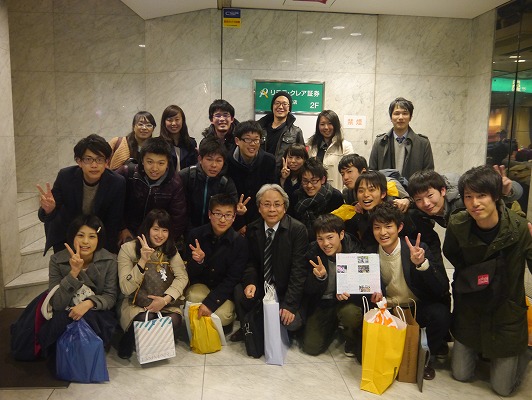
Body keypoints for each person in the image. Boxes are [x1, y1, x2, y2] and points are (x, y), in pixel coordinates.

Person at [443, 165, 532, 396]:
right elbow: (451, 253)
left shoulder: (519, 228)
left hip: (505, 311)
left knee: (502, 389)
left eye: (481, 195)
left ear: (496, 196)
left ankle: (522, 353)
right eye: (468, 196)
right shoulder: (458, 224)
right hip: (471, 307)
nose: (475, 203)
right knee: (460, 374)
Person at [369, 202, 451, 380]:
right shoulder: (369, 253)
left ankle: (425, 358)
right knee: (367, 358)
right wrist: (373, 295)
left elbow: (440, 288)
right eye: (377, 227)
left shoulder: (416, 249)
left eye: (388, 226)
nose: (383, 232)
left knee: (440, 314)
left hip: (415, 307)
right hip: (387, 310)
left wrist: (422, 264)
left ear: (399, 227)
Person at [230, 184, 308, 342]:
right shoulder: (253, 229)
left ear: (285, 207)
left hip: (285, 290)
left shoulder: (298, 230)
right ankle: (248, 326)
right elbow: (250, 262)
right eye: (266, 204)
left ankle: (266, 323)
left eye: (277, 204)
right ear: (259, 208)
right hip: (263, 287)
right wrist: (250, 282)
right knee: (240, 291)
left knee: (291, 324)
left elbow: (299, 271)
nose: (272, 209)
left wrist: (289, 305)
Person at [38, 215, 118, 357]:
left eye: (92, 236)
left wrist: (88, 303)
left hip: (96, 311)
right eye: (80, 235)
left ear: (99, 239)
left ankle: (89, 355)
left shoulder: (109, 260)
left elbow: (110, 296)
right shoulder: (57, 260)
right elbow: (57, 304)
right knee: (59, 321)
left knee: (90, 318)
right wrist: (73, 273)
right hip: (66, 310)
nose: (85, 241)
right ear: (72, 236)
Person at [117, 209, 188, 359]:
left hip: (164, 302)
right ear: (147, 228)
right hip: (135, 303)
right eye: (156, 229)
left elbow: (182, 277)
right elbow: (125, 288)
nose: (160, 235)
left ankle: (153, 345)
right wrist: (142, 261)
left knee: (174, 320)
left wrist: (165, 300)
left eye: (165, 230)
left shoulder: (170, 250)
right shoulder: (128, 249)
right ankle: (129, 338)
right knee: (146, 318)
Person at [37, 134, 126, 254]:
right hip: (67, 234)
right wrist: (49, 210)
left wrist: (104, 253)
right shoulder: (65, 177)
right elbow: (48, 215)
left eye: (99, 159)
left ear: (106, 162)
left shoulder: (117, 182)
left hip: (98, 235)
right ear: (79, 161)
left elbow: (113, 221)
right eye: (88, 159)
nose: (94, 165)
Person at [303, 214, 364, 359]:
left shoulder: (355, 251)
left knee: (350, 314)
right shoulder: (312, 253)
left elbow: (364, 287)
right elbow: (307, 289)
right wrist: (320, 278)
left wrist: (349, 294)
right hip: (322, 302)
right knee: (311, 347)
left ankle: (350, 337)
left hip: (346, 302)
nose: (325, 243)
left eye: (330, 237)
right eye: (320, 239)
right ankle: (331, 327)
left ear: (341, 235)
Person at [185, 194, 248, 330]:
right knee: (193, 297)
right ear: (209, 214)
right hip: (201, 285)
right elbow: (189, 273)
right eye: (218, 214)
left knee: (222, 315)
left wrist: (210, 303)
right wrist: (199, 261)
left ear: (234, 217)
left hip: (223, 291)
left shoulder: (240, 243)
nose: (222, 219)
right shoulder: (195, 235)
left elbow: (233, 279)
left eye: (228, 215)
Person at [117, 137, 187, 246]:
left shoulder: (175, 183)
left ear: (167, 163)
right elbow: (114, 205)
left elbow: (178, 219)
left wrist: (162, 242)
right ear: (142, 160)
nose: (154, 168)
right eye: (150, 162)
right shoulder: (128, 173)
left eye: (161, 163)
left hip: (157, 237)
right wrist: (122, 228)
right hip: (127, 233)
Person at [179, 137, 238, 232]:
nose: (214, 165)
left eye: (219, 161)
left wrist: (238, 210)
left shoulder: (226, 182)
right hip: (186, 230)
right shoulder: (186, 176)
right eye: (209, 159)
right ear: (200, 159)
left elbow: (232, 210)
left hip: (214, 232)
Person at [227, 120, 276, 232]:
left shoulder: (269, 161)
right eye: (248, 139)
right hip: (233, 219)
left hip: (260, 218)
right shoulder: (228, 160)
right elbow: (226, 194)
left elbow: (270, 192)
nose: (253, 144)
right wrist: (239, 223)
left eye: (256, 140)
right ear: (237, 141)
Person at [369, 97, 434, 180]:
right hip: (386, 187)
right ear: (391, 117)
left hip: (413, 188)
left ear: (410, 117)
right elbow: (372, 173)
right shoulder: (380, 142)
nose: (400, 117)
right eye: (396, 113)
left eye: (405, 113)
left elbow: (428, 175)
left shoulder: (423, 143)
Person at [291, 158, 344, 240]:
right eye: (305, 181)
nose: (309, 185)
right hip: (301, 240)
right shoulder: (296, 196)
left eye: (313, 181)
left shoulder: (335, 197)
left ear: (323, 180)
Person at [338, 153, 410, 210]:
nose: (345, 177)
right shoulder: (347, 193)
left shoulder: (388, 183)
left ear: (363, 171)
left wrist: (406, 201)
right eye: (342, 174)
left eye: (349, 172)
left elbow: (410, 200)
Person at [307, 110, 354, 190]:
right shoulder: (312, 146)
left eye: (330, 123)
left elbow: (351, 173)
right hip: (316, 192)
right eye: (322, 124)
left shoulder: (346, 146)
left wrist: (344, 192)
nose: (326, 127)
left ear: (336, 125)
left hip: (338, 193)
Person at [258, 91, 304, 171]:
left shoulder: (296, 132)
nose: (280, 107)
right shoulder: (260, 129)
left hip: (284, 174)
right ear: (272, 106)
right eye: (277, 103)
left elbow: (302, 157)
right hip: (260, 173)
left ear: (289, 108)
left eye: (284, 104)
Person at [159, 105, 198, 172]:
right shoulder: (158, 143)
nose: (173, 123)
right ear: (164, 122)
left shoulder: (191, 143)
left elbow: (194, 167)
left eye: (177, 119)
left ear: (182, 121)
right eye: (169, 120)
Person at [279, 143, 309, 208]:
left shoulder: (308, 175)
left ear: (304, 160)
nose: (293, 161)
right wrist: (283, 178)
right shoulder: (278, 173)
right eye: (290, 157)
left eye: (298, 158)